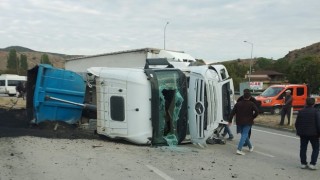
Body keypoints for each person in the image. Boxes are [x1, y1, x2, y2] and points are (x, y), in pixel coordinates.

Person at [228, 91, 259, 155]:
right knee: (244, 134)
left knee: (244, 135)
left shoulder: (238, 104)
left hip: (239, 122)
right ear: (250, 97)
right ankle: (239, 149)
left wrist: (230, 121)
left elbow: (232, 113)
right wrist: (253, 117)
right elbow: (257, 112)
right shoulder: (251, 104)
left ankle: (250, 147)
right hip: (248, 121)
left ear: (243, 96)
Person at [295, 97, 320, 170]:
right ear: (314, 103)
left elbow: (297, 123)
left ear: (305, 103)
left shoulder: (301, 111)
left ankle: (303, 163)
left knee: (303, 148)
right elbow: (318, 123)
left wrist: (299, 131)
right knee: (315, 148)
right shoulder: (316, 111)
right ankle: (312, 164)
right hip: (314, 134)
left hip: (303, 133)